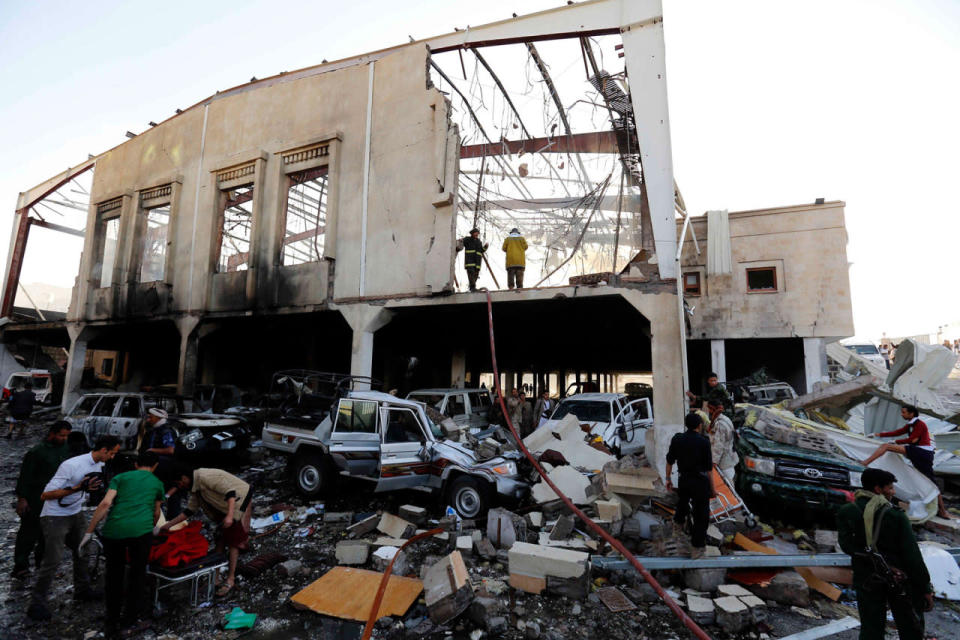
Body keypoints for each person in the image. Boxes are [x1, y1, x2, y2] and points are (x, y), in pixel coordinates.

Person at [27, 435, 121, 621]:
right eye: (112, 453)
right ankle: (36, 604)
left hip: (75, 512)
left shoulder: (98, 465)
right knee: (53, 560)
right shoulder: (71, 465)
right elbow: (45, 495)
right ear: (103, 450)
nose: (112, 457)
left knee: (83, 550)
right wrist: (77, 488)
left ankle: (82, 590)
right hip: (55, 515)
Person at [837, 467, 933, 640]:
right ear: (877, 489)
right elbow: (912, 556)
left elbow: (846, 546)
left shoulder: (847, 511)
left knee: (871, 628)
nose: (893, 492)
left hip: (866, 578)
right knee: (910, 627)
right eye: (889, 488)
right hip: (899, 578)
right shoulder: (895, 515)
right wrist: (925, 587)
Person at [82, 450, 165, 638]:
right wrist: (152, 528)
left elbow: (105, 504)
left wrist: (89, 531)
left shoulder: (120, 477)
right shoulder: (157, 483)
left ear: (136, 464)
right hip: (140, 532)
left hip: (114, 531)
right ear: (155, 466)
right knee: (137, 576)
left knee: (113, 576)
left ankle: (110, 621)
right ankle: (129, 622)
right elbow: (156, 512)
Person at [159, 468, 252, 597]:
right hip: (222, 505)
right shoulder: (196, 489)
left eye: (179, 483)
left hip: (238, 499)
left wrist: (230, 516)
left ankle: (230, 579)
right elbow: (189, 511)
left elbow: (231, 493)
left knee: (233, 541)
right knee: (219, 539)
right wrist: (167, 526)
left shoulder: (205, 477)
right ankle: (215, 578)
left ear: (184, 478)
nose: (180, 486)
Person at [862, 404, 951, 519]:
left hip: (922, 452)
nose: (901, 414)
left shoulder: (919, 424)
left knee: (886, 446)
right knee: (931, 483)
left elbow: (912, 439)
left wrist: (895, 442)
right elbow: (897, 432)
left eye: (904, 412)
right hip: (919, 452)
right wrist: (877, 434)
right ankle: (942, 511)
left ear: (911, 413)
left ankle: (866, 462)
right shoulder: (911, 424)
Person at [12, 421, 72, 579]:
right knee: (29, 532)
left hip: (55, 498)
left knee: (49, 534)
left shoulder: (66, 450)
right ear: (52, 433)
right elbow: (25, 477)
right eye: (61, 435)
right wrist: (22, 499)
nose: (64, 438)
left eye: (66, 436)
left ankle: (43, 565)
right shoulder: (36, 452)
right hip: (35, 498)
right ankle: (20, 566)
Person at [664, 412, 716, 559]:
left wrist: (668, 478)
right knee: (701, 516)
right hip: (700, 482)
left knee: (683, 503)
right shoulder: (704, 442)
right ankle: (697, 549)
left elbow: (669, 460)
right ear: (699, 426)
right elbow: (708, 470)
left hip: (684, 480)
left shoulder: (678, 439)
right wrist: (713, 490)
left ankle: (678, 525)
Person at [706, 399, 738, 482]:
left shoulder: (720, 424)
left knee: (727, 484)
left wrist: (714, 462)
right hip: (728, 457)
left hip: (724, 462)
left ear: (712, 409)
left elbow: (718, 445)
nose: (708, 411)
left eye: (709, 409)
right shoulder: (726, 419)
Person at [456, 228, 488, 292]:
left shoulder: (479, 241)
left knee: (475, 274)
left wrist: (485, 247)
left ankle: (472, 288)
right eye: (476, 233)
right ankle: (472, 287)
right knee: (471, 274)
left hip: (477, 263)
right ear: (472, 233)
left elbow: (481, 250)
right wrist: (460, 240)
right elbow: (461, 242)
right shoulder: (467, 239)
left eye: (478, 233)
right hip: (470, 261)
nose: (477, 234)